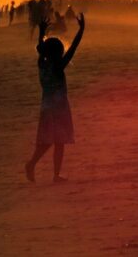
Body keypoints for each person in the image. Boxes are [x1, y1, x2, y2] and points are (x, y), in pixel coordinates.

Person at [25, 13, 85, 183]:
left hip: (46, 106)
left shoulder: (42, 64)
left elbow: (41, 48)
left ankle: (35, 165)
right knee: (59, 141)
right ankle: (51, 172)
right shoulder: (58, 66)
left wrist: (41, 31)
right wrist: (81, 30)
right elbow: (73, 48)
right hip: (59, 108)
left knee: (48, 141)